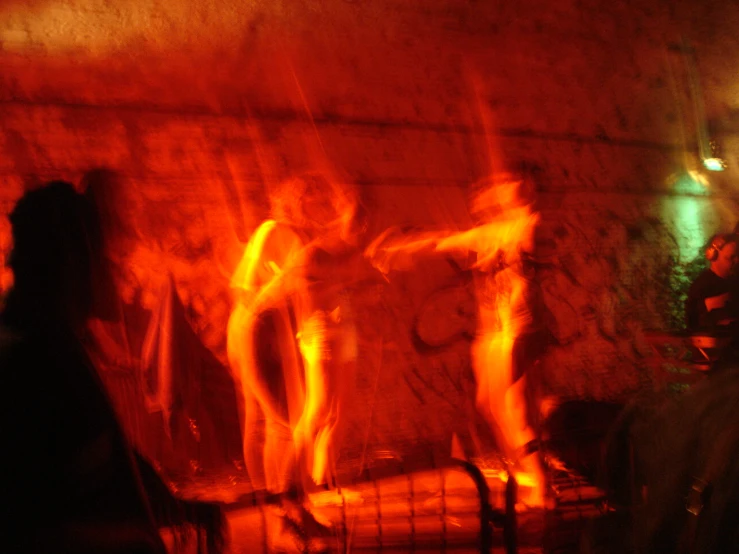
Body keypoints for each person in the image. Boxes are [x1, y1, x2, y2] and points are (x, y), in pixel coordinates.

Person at [1, 181, 225, 553]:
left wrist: (176, 508)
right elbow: (46, 520)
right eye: (106, 256)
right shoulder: (40, 365)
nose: (116, 270)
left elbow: (103, 476)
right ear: (77, 262)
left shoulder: (54, 344)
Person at [685, 233, 739, 333]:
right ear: (713, 256)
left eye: (737, 257)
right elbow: (694, 323)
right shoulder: (702, 285)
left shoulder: (735, 281)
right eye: (730, 258)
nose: (736, 261)